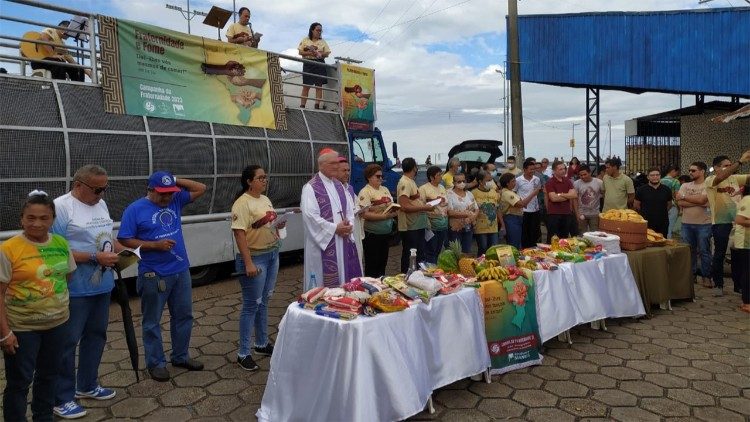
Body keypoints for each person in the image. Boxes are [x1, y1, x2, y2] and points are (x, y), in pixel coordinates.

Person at [117, 171, 207, 382]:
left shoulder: (175, 200)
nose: (167, 198)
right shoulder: (135, 209)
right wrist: (153, 246)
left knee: (184, 316)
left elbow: (201, 188)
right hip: (153, 273)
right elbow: (124, 238)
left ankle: (180, 356)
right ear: (150, 190)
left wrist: (174, 180)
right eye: (162, 193)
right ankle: (156, 363)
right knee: (152, 321)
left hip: (180, 269)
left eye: (170, 193)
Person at [1, 192, 76, 421]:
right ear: (21, 219)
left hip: (58, 324)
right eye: (31, 217)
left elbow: (68, 276)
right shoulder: (9, 249)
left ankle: (43, 416)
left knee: (49, 375)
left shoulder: (61, 243)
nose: (37, 223)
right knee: (19, 382)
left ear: (52, 219)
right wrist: (4, 334)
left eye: (44, 218)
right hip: (23, 327)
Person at [52, 165, 118, 419]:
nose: (102, 194)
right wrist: (94, 256)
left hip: (102, 285)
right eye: (97, 189)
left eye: (105, 189)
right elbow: (56, 250)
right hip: (74, 288)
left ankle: (87, 385)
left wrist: (120, 252)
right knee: (67, 343)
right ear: (78, 185)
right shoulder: (61, 207)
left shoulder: (99, 204)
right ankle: (62, 398)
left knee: (96, 336)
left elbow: (106, 235)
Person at [231, 165, 283, 372]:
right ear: (249, 181)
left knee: (265, 301)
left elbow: (267, 224)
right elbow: (239, 234)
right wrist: (249, 263)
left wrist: (278, 228)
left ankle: (261, 343)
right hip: (255, 258)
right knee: (251, 305)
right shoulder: (242, 203)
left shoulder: (265, 199)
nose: (264, 180)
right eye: (260, 178)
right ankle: (243, 352)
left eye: (265, 177)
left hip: (272, 254)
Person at [301, 149, 361, 289]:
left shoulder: (339, 185)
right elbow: (310, 217)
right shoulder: (311, 188)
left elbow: (349, 210)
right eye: (333, 163)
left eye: (337, 162)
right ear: (321, 165)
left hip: (342, 239)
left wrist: (348, 225)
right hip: (324, 243)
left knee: (343, 279)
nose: (337, 166)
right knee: (323, 285)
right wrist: (335, 228)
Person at [705, 151, 750, 296]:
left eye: (731, 165)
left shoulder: (735, 178)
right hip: (720, 222)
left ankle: (739, 286)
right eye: (726, 166)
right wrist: (740, 161)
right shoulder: (711, 179)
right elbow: (721, 176)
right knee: (720, 253)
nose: (730, 168)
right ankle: (718, 284)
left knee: (739, 255)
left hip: (738, 223)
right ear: (716, 168)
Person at [358, 164, 397, 277]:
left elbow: (390, 205)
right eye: (378, 176)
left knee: (382, 263)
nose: (381, 178)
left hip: (385, 233)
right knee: (372, 265)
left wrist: (394, 211)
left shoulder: (385, 189)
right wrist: (384, 217)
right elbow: (364, 214)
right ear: (369, 177)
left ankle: (381, 289)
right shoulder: (365, 192)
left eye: (381, 176)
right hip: (372, 235)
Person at [677, 162, 712, 287]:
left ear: (702, 171)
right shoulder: (685, 185)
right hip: (686, 223)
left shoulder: (708, 185)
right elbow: (679, 202)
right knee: (689, 251)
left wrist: (686, 197)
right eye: (690, 170)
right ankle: (691, 276)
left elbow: (704, 201)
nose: (690, 172)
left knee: (704, 251)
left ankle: (706, 276)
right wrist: (699, 202)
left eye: (693, 170)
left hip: (704, 224)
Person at [397, 158, 434, 272]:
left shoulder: (411, 181)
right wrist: (425, 207)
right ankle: (407, 278)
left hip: (418, 225)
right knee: (411, 255)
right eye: (416, 166)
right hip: (410, 226)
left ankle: (417, 278)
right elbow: (404, 206)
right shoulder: (405, 182)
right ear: (414, 167)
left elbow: (413, 201)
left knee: (419, 255)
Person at [336, 158, 364, 270]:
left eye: (348, 170)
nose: (347, 173)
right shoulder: (332, 190)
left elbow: (356, 205)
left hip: (355, 229)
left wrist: (361, 209)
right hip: (343, 230)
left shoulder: (350, 188)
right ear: (335, 171)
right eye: (344, 170)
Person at [419, 166, 449, 264]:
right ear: (431, 177)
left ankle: (435, 270)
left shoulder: (442, 187)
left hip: (443, 224)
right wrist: (436, 200)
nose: (441, 176)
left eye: (441, 174)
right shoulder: (423, 188)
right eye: (439, 175)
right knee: (430, 250)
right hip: (431, 225)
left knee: (438, 250)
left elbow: (445, 203)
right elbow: (422, 206)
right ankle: (429, 271)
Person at [298, 22, 331, 109]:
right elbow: (300, 52)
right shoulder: (305, 40)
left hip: (319, 63)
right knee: (306, 85)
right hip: (308, 63)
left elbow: (327, 53)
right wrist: (311, 52)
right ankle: (302, 106)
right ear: (312, 30)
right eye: (317, 30)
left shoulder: (322, 41)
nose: (319, 32)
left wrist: (319, 53)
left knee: (319, 85)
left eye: (321, 31)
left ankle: (317, 105)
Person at [634, 167, 673, 238]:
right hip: (646, 223)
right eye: (652, 175)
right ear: (648, 177)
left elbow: (669, 205)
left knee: (662, 243)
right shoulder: (641, 190)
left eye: (657, 175)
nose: (655, 177)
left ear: (660, 176)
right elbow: (636, 206)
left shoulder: (666, 190)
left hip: (662, 223)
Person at [446, 172, 479, 254]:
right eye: (459, 181)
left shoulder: (469, 194)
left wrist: (473, 217)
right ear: (454, 183)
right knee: (455, 253)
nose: (462, 183)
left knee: (466, 251)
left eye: (463, 181)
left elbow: (476, 209)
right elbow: (450, 212)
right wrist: (467, 214)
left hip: (468, 228)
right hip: (455, 229)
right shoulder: (449, 194)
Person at [545, 160, 577, 241]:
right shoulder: (550, 182)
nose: (563, 171)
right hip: (554, 214)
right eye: (560, 169)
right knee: (553, 239)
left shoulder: (567, 181)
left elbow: (574, 195)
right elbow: (553, 198)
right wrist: (567, 196)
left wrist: (560, 194)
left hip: (566, 213)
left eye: (564, 169)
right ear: (554, 171)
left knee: (564, 239)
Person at [472, 170, 501, 256]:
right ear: (480, 181)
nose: (490, 183)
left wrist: (501, 223)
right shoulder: (473, 193)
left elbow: (498, 208)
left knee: (493, 249)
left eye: (491, 180)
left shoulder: (494, 192)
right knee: (483, 249)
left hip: (493, 227)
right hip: (480, 227)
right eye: (488, 180)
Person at [515, 158, 542, 248]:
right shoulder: (518, 180)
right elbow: (514, 193)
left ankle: (534, 250)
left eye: (534, 169)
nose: (533, 171)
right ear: (524, 170)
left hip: (535, 210)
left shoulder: (537, 179)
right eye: (531, 169)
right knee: (525, 234)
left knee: (534, 233)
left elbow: (538, 192)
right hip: (523, 211)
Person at [732, 180, 750, 313]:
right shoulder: (748, 199)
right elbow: (740, 220)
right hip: (746, 241)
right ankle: (747, 302)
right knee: (748, 272)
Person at [574, 166, 604, 233]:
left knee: (595, 234)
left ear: (590, 173)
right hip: (581, 213)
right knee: (582, 235)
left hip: (595, 213)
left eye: (585, 174)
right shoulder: (576, 183)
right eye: (581, 175)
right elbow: (575, 200)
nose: (583, 177)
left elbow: (604, 195)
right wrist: (577, 214)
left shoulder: (599, 182)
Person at [499, 173, 524, 249]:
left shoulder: (511, 192)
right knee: (514, 244)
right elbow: (521, 204)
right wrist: (534, 193)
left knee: (517, 242)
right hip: (511, 218)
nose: (515, 183)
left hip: (516, 218)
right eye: (513, 181)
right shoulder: (507, 193)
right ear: (507, 183)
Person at [661, 165, 681, 239]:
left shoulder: (660, 180)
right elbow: (676, 196)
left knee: (661, 227)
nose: (677, 174)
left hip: (661, 206)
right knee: (669, 228)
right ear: (673, 171)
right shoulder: (676, 181)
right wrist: (680, 208)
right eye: (677, 172)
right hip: (672, 206)